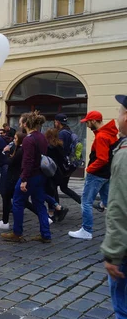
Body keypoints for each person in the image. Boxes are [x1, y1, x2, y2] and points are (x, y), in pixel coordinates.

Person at [2, 112, 51, 243]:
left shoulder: (29, 139)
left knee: (17, 202)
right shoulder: (41, 137)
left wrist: (24, 179)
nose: (19, 125)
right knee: (40, 204)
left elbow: (27, 161)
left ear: (26, 124)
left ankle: (17, 233)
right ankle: (46, 234)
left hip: (30, 176)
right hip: (41, 175)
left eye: (20, 123)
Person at [69, 111, 119, 240]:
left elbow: (102, 159)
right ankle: (119, 229)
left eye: (87, 122)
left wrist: (89, 169)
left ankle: (86, 230)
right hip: (106, 174)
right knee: (109, 202)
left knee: (86, 202)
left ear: (94, 121)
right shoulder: (110, 134)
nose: (86, 124)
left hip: (97, 174)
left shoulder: (101, 136)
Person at [101, 94, 127, 318]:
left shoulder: (125, 152)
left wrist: (112, 254)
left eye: (119, 112)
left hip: (125, 249)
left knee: (122, 304)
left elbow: (118, 206)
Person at [54, 113, 82, 204]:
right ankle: (82, 202)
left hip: (62, 165)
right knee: (64, 187)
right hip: (69, 164)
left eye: (55, 122)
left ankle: (57, 210)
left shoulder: (62, 133)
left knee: (53, 186)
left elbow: (61, 150)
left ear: (57, 122)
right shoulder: (69, 131)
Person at [44, 128, 70, 222]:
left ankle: (53, 213)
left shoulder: (49, 147)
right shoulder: (59, 145)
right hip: (58, 172)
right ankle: (57, 210)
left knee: (50, 192)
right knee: (54, 191)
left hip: (50, 172)